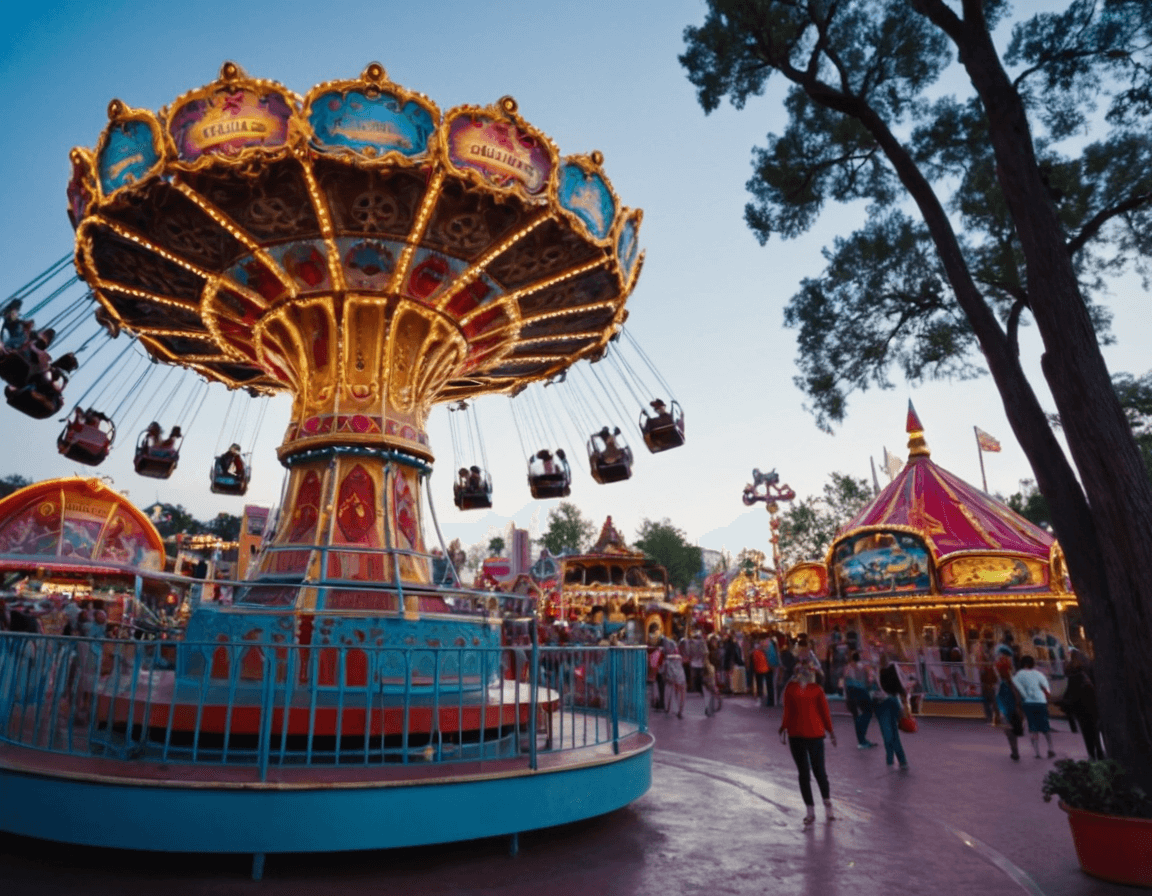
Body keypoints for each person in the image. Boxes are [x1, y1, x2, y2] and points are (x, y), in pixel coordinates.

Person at [779, 657, 837, 825]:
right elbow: (825, 713)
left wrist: (783, 727)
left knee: (803, 773)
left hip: (795, 735)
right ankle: (828, 806)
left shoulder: (790, 689)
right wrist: (831, 732)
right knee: (820, 771)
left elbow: (787, 712)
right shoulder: (817, 690)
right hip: (815, 734)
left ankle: (810, 811)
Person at [1059, 650, 1104, 759]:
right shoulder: (1089, 668)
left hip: (1079, 705)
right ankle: (1099, 750)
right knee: (1095, 729)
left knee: (1086, 730)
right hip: (1092, 703)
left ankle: (1091, 752)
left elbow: (1068, 691)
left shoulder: (1070, 672)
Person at [1013, 654, 1056, 758]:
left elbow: (1016, 690)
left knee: (1033, 727)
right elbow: (1046, 689)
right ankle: (1050, 748)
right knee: (1045, 726)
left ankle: (1037, 753)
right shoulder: (1039, 674)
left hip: (1028, 703)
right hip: (1040, 702)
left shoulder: (1018, 675)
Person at [875, 652, 909, 769]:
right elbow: (900, 685)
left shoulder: (879, 671)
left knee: (888, 733)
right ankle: (900, 759)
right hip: (894, 701)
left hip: (882, 703)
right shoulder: (893, 669)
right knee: (893, 731)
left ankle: (891, 758)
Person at [842, 651, 876, 748]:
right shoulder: (862, 667)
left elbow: (844, 682)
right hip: (860, 691)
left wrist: (845, 696)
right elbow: (869, 682)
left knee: (856, 716)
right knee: (868, 712)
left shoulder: (847, 667)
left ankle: (861, 741)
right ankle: (862, 739)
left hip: (850, 693)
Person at [995, 650, 1025, 760]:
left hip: (1005, 710)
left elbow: (998, 697)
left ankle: (1014, 751)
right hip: (1012, 709)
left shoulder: (1001, 683)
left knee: (1009, 732)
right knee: (1012, 732)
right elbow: (1018, 696)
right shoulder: (1012, 681)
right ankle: (1015, 751)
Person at [659, 632, 686, 718]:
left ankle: (669, 707)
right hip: (680, 676)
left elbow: (661, 670)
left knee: (670, 689)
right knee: (680, 691)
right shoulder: (678, 657)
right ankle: (679, 710)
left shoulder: (666, 657)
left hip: (670, 676)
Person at [750, 638, 769, 703]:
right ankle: (762, 694)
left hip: (758, 670)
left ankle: (760, 694)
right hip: (764, 669)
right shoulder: (762, 652)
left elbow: (753, 661)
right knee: (762, 683)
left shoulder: (754, 652)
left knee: (759, 683)